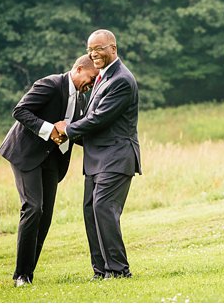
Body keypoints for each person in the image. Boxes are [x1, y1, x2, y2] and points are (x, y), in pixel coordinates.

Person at [0, 55, 99, 287]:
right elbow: (20, 111)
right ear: (79, 68)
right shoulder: (50, 84)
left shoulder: (83, 99)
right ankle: (20, 276)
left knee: (45, 216)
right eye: (91, 77)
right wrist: (49, 129)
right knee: (33, 208)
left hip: (53, 160)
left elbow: (75, 132)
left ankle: (28, 274)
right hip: (26, 154)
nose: (92, 83)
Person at [55, 29, 142, 280]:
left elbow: (98, 119)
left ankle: (118, 270)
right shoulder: (102, 78)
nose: (94, 54)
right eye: (90, 49)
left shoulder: (121, 80)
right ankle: (101, 270)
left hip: (117, 156)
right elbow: (91, 121)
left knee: (104, 207)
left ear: (113, 48)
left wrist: (67, 130)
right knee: (90, 209)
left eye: (99, 48)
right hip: (96, 159)